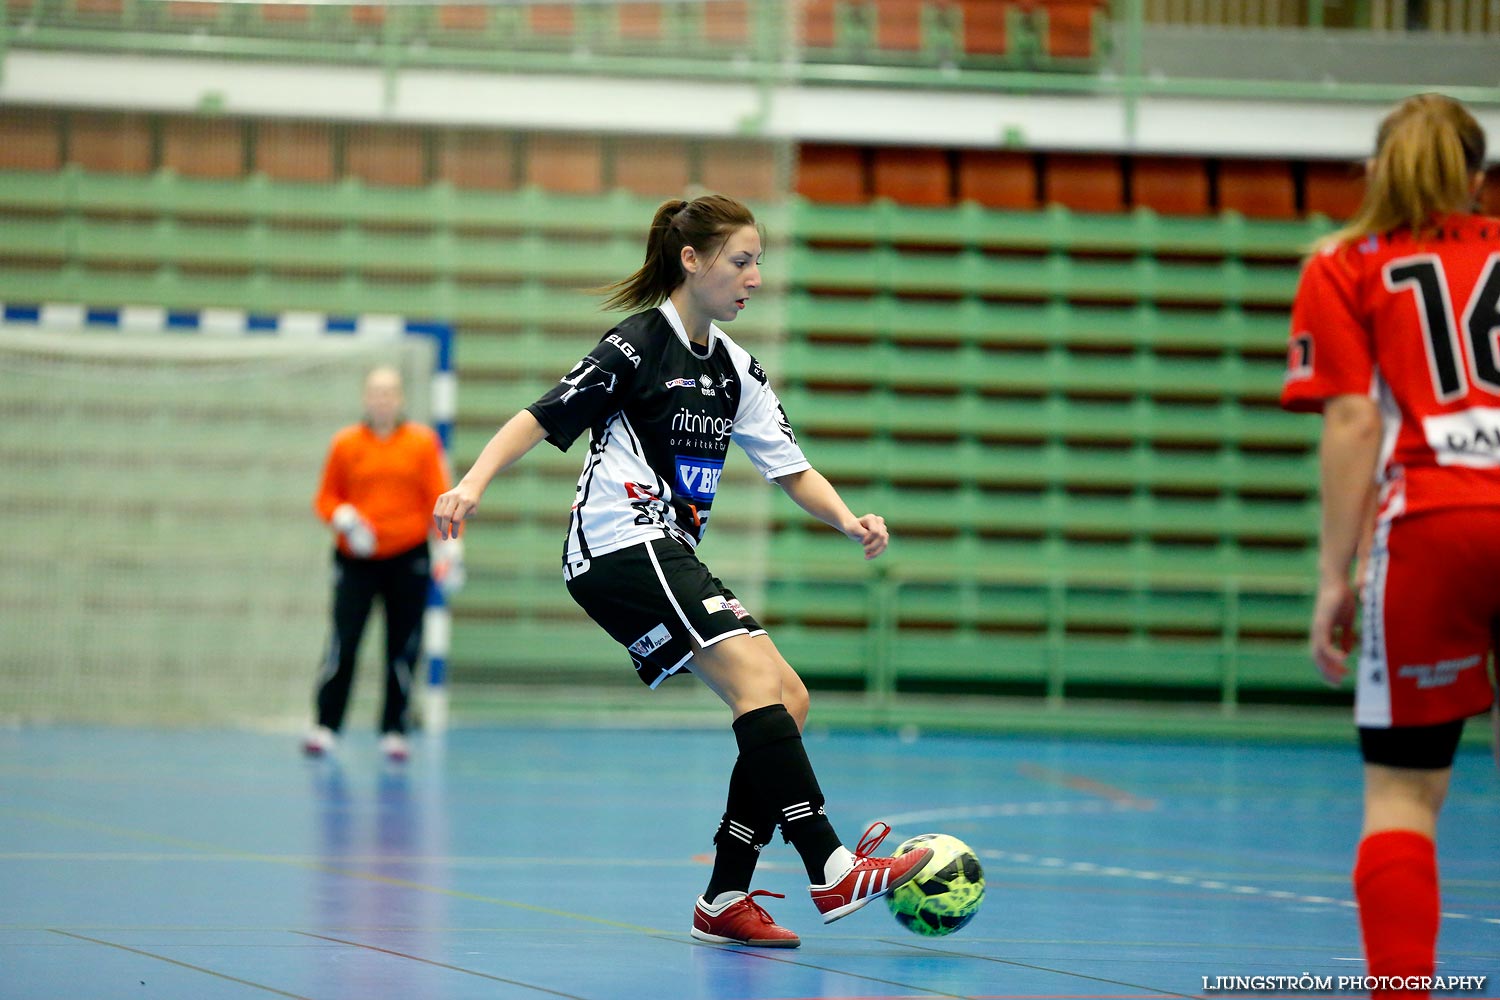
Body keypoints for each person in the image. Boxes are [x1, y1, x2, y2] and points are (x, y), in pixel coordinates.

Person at [432, 193, 932, 948]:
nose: (755, 277)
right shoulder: (636, 346)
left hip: (666, 550)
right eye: (742, 260)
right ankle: (827, 864)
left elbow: (791, 469)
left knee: (787, 699)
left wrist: (848, 519)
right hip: (617, 543)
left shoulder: (736, 370)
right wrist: (471, 484)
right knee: (758, 689)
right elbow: (541, 415)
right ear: (691, 261)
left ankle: (724, 895)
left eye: (759, 260)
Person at [1280, 93, 1498, 1000]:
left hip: (1432, 523)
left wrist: (1335, 576)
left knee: (1403, 799)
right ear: (1478, 174)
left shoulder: (1343, 262)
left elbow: (1354, 418)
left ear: (1378, 168)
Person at [308, 365, 462, 762]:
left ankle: (394, 728)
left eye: (390, 392)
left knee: (403, 646)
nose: (382, 399)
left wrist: (449, 550)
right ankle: (326, 725)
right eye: (376, 391)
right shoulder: (345, 444)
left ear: (401, 399)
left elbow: (438, 497)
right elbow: (325, 498)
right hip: (356, 559)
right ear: (365, 397)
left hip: (408, 557)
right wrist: (343, 517)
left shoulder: (422, 443)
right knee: (344, 641)